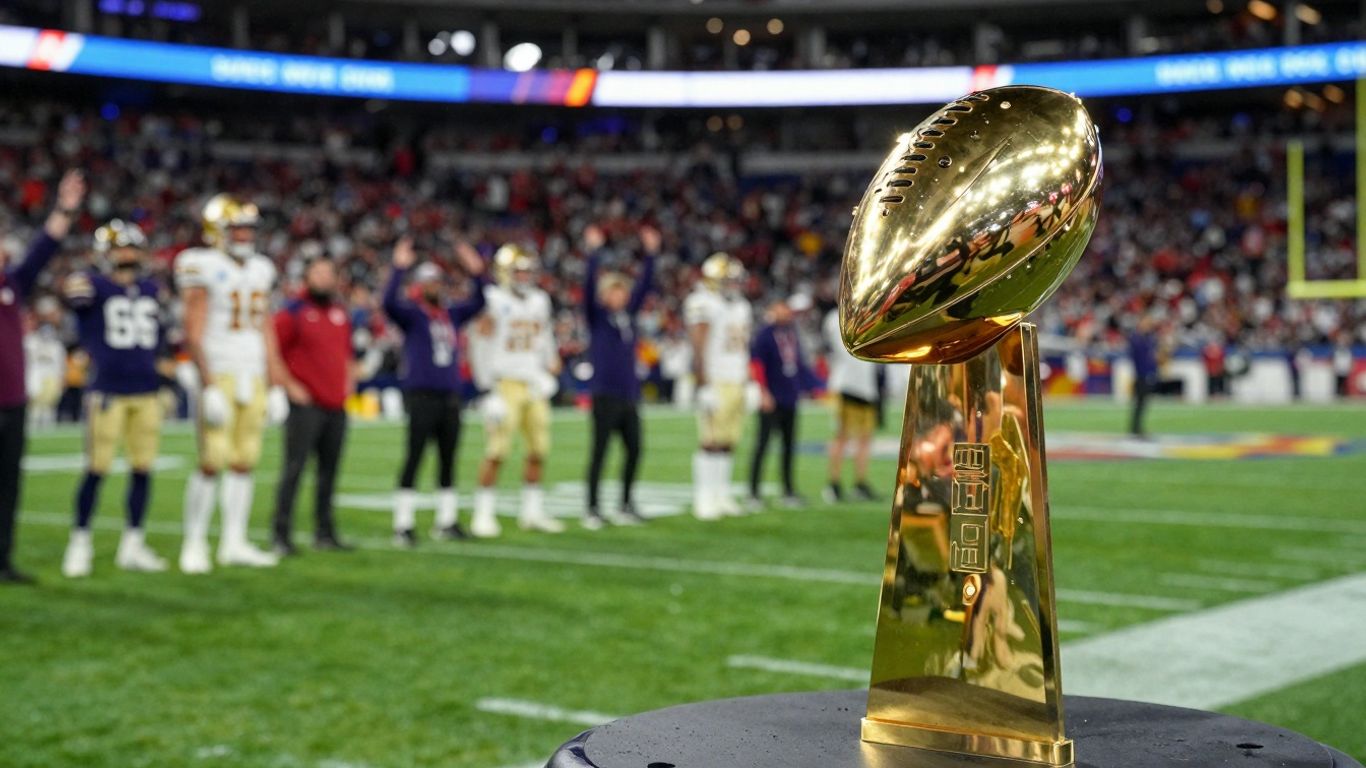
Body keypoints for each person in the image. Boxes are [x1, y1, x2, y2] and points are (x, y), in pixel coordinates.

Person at [175, 193, 296, 573]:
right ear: (217, 230)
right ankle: (194, 543)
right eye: (237, 227)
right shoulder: (200, 264)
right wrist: (207, 383)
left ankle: (234, 541)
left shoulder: (261, 268)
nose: (245, 235)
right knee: (212, 460)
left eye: (248, 228)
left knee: (245, 461)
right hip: (221, 370)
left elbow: (266, 329)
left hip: (253, 372)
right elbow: (193, 331)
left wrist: (276, 382)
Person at [59, 220, 171, 578]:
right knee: (97, 467)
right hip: (107, 389)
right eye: (121, 248)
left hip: (146, 389)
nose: (128, 255)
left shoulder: (151, 289)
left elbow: (161, 337)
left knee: (142, 468)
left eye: (132, 248)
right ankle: (80, 542)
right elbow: (74, 297)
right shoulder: (92, 285)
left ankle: (134, 543)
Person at [0, 169, 85, 584]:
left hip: (13, 403)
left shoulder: (12, 284)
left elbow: (45, 246)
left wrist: (65, 207)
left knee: (9, 486)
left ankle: (2, 560)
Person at [382, 235, 487, 546]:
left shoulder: (451, 314)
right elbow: (388, 303)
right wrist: (398, 268)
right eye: (429, 282)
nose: (435, 286)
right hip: (422, 395)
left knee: (448, 459)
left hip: (450, 395)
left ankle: (447, 520)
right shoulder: (413, 315)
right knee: (414, 457)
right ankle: (403, 524)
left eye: (438, 281)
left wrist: (477, 271)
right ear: (419, 286)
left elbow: (480, 302)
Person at [472, 243, 563, 536]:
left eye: (528, 271)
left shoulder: (540, 300)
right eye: (518, 271)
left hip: (533, 382)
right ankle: (482, 514)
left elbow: (545, 337)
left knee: (539, 449)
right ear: (504, 272)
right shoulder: (492, 299)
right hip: (505, 382)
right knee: (497, 450)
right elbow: (479, 344)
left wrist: (549, 365)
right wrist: (487, 390)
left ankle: (532, 513)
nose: (524, 277)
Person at [271, 257, 357, 555]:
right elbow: (272, 351)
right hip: (306, 405)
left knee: (329, 472)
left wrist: (350, 380)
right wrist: (289, 385)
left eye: (327, 273)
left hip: (336, 404)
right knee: (294, 469)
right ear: (306, 276)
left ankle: (325, 531)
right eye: (317, 272)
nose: (322, 278)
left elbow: (346, 353)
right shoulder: (292, 312)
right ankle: (281, 534)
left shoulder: (339, 313)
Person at [581, 223, 657, 529]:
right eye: (614, 290)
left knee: (635, 449)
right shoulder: (597, 316)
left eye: (622, 291)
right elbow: (587, 286)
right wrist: (594, 253)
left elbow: (645, 286)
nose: (621, 295)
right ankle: (592, 508)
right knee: (599, 453)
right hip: (605, 393)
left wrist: (651, 254)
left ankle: (626, 503)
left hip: (628, 394)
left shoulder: (628, 317)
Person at [683, 252, 752, 520]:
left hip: (735, 378)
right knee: (710, 441)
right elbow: (698, 346)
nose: (734, 285)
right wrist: (703, 385)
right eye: (728, 280)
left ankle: (721, 494)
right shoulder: (702, 302)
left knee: (728, 441)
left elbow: (742, 348)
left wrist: (747, 379)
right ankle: (704, 497)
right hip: (716, 379)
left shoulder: (740, 306)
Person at [748, 296, 813, 509]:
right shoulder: (765, 334)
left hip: (789, 396)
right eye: (781, 308)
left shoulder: (791, 332)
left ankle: (788, 490)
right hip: (772, 396)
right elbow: (757, 363)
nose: (785, 312)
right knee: (762, 445)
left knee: (789, 446)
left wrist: (807, 387)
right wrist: (763, 392)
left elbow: (797, 363)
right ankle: (753, 492)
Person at [821, 305, 882, 503]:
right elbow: (848, 347)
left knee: (865, 437)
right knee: (842, 436)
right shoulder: (836, 317)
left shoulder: (869, 313)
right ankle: (833, 483)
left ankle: (860, 482)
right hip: (846, 384)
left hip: (867, 386)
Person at [1128, 315, 1159, 438]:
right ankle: (1135, 428)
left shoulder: (1149, 338)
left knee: (1143, 404)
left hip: (1147, 374)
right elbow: (1141, 358)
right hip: (1141, 375)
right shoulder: (1137, 338)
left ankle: (1137, 428)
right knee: (1139, 404)